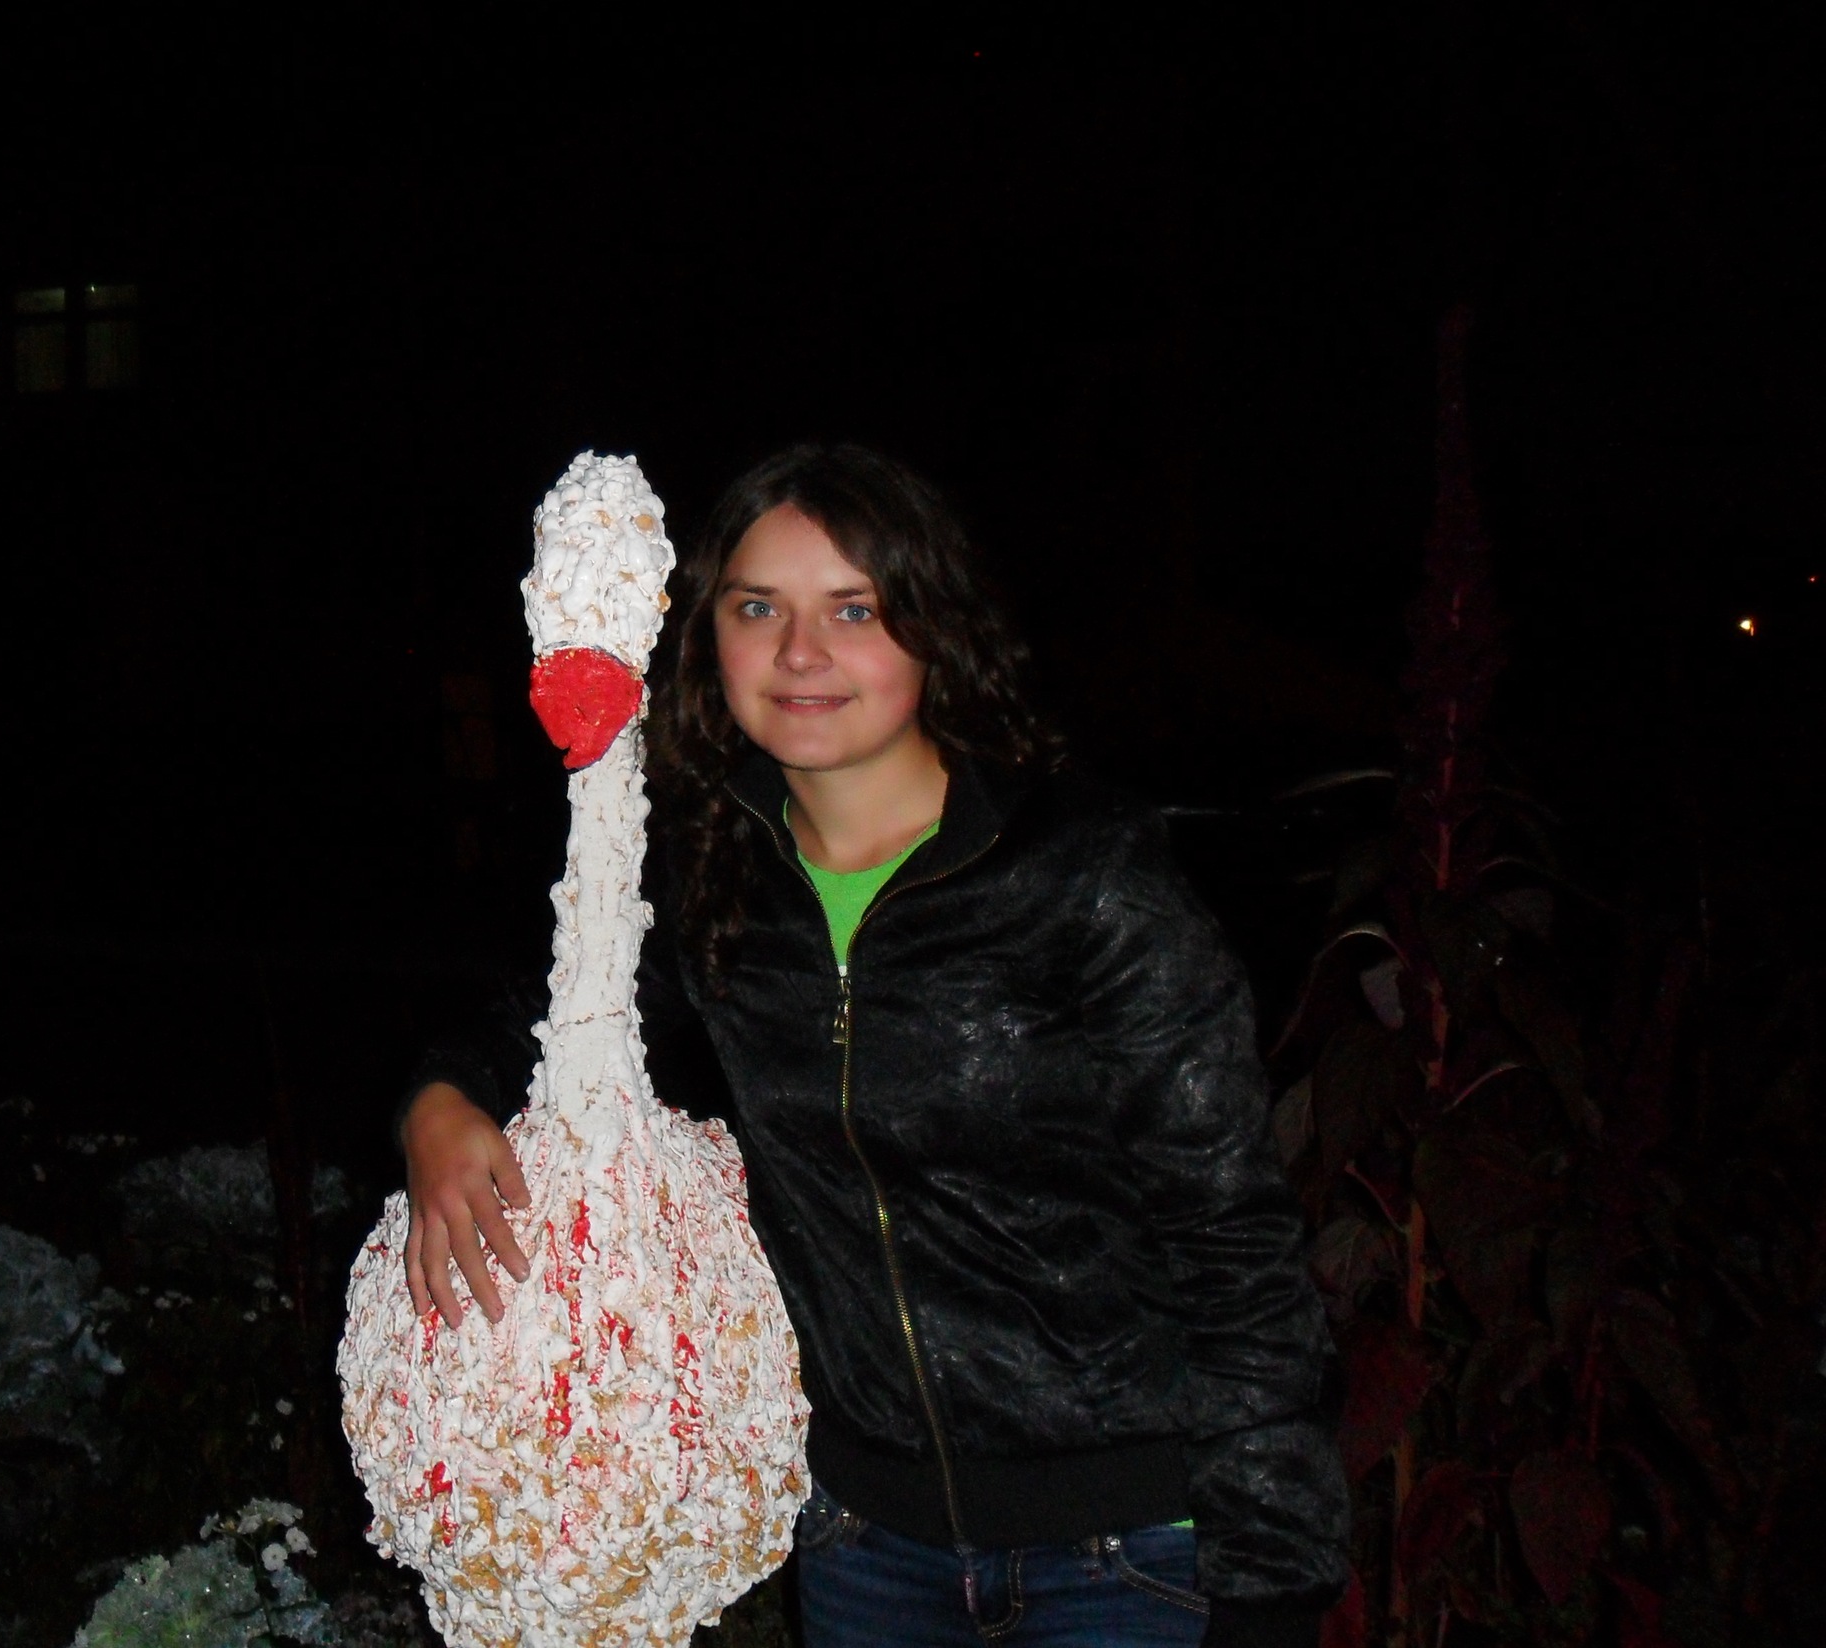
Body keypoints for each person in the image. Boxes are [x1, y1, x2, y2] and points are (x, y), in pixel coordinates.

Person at [398, 443, 1349, 1648]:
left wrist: (1272, 1586)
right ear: (708, 637)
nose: (801, 654)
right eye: (758, 609)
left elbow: (1235, 1236)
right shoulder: (715, 881)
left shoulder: (1078, 875)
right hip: (866, 1549)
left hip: (1128, 1551)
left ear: (932, 628)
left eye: (853, 609)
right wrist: (437, 1103)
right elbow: (538, 1019)